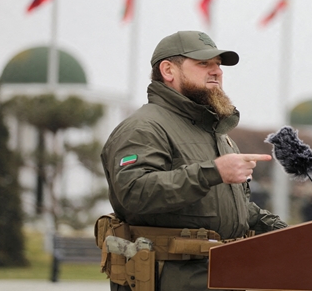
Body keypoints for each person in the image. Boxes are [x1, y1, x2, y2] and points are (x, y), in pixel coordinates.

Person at [100, 31, 288, 291]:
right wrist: (213, 171)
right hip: (168, 280)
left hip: (222, 276)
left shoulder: (214, 133)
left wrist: (285, 232)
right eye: (203, 63)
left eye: (218, 65)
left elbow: (226, 209)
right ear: (168, 70)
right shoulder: (143, 128)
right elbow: (134, 192)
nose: (216, 72)